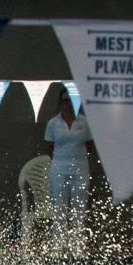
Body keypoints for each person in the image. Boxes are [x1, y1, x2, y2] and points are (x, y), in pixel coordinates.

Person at [41, 90, 94, 254]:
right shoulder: (53, 123)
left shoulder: (84, 122)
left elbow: (90, 147)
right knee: (60, 208)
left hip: (80, 169)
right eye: (64, 101)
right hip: (59, 169)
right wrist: (63, 159)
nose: (68, 104)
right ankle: (58, 248)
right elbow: (49, 148)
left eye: (71, 101)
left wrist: (76, 158)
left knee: (79, 208)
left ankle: (78, 248)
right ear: (60, 103)